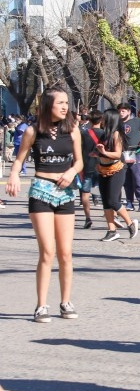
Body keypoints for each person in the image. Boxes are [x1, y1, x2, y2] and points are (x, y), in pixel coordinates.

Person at [5, 86, 84, 323]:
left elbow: (79, 162)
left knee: (66, 253)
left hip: (66, 193)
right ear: (48, 104)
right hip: (41, 191)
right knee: (47, 251)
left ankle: (66, 301)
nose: (64, 107)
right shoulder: (32, 131)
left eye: (66, 103)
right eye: (60, 102)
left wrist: (71, 172)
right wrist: (14, 175)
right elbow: (19, 160)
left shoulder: (72, 131)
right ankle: (41, 305)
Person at [95, 109, 140, 242]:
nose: (102, 121)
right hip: (103, 169)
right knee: (105, 201)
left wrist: (104, 152)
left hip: (117, 169)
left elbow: (117, 154)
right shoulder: (104, 135)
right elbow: (101, 151)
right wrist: (96, 153)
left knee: (113, 200)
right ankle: (112, 230)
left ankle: (130, 223)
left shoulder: (116, 134)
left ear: (110, 119)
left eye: (104, 118)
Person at [117, 103, 140, 212]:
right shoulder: (117, 123)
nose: (121, 113)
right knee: (126, 179)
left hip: (137, 153)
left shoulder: (137, 121)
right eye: (119, 111)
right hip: (124, 154)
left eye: (123, 111)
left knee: (138, 178)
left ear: (129, 112)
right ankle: (129, 202)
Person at [79, 109, 105, 229]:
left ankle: (88, 217)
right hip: (103, 166)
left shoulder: (83, 134)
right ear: (101, 120)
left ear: (89, 120)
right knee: (106, 192)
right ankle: (111, 214)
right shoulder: (105, 134)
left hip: (87, 165)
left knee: (85, 193)